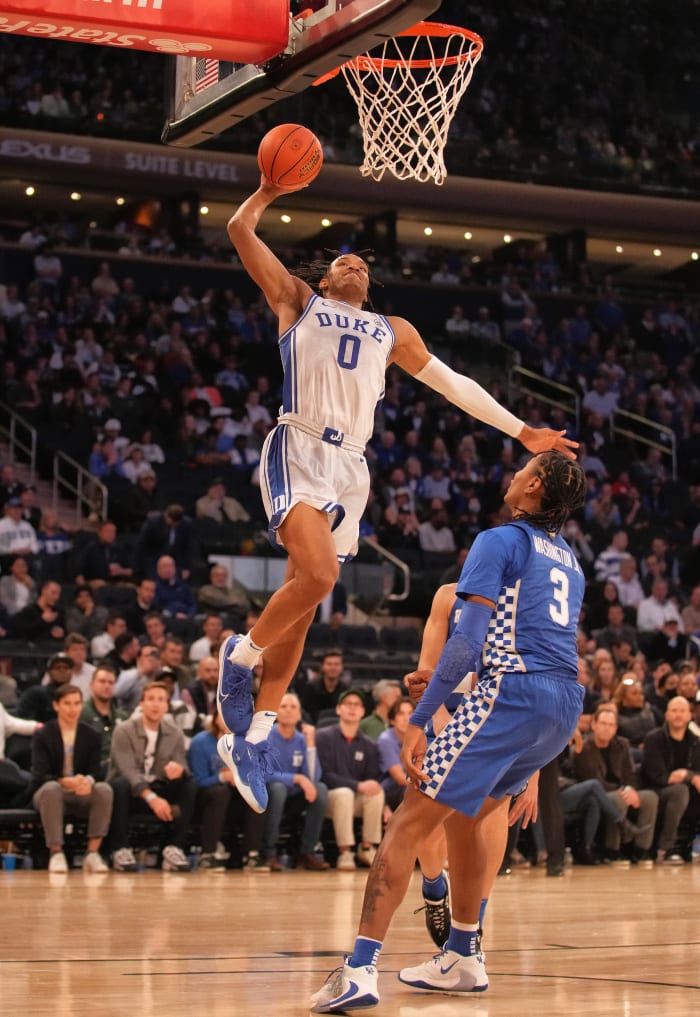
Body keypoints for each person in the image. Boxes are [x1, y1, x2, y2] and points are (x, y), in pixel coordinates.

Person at [215, 177, 577, 814]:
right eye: (339, 259)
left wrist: (521, 431)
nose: (352, 260)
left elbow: (453, 384)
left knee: (305, 605)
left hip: (351, 468)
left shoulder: (393, 330)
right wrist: (269, 190)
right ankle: (239, 657)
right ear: (325, 281)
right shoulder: (297, 301)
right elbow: (239, 231)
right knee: (321, 577)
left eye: (361, 261)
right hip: (299, 444)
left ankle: (256, 737)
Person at [309, 450, 586, 1011]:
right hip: (563, 702)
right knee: (474, 813)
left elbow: (465, 643)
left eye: (522, 468)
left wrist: (417, 721)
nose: (511, 473)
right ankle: (463, 954)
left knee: (406, 824)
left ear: (533, 487)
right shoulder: (571, 562)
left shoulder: (498, 539)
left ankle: (360, 971)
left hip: (513, 691)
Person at [107, 680, 197, 872]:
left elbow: (182, 762)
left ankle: (174, 847)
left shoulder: (174, 733)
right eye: (150, 699)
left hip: (158, 787)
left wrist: (179, 769)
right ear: (141, 704)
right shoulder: (123, 730)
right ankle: (120, 848)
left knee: (189, 785)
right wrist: (152, 798)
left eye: (161, 700)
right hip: (131, 793)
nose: (155, 704)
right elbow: (127, 771)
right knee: (120, 784)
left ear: (167, 706)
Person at [30, 683, 113, 872]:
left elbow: (96, 771)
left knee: (104, 789)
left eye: (77, 703)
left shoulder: (91, 734)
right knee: (52, 789)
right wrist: (63, 781)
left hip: (80, 791)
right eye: (67, 703)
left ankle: (92, 853)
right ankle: (56, 853)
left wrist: (87, 782)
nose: (73, 709)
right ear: (56, 705)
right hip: (49, 792)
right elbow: (39, 774)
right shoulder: (43, 734)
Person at [573, 702, 658, 864]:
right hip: (597, 793)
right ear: (594, 724)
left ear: (616, 728)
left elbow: (629, 774)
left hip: (621, 789)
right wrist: (623, 790)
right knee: (617, 799)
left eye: (611, 725)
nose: (607, 728)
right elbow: (592, 780)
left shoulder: (623, 744)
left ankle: (642, 849)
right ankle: (613, 850)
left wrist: (630, 788)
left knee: (650, 797)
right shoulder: (583, 747)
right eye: (603, 724)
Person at [315, 688, 385, 871]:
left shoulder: (369, 744)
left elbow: (371, 778)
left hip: (354, 800)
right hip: (330, 799)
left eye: (357, 705)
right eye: (348, 704)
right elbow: (324, 775)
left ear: (363, 712)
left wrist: (366, 786)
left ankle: (367, 847)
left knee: (377, 792)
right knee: (344, 793)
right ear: (338, 709)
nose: (352, 708)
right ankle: (345, 852)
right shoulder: (322, 737)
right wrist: (358, 785)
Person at [188, 710, 267, 870]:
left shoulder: (247, 743)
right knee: (220, 793)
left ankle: (252, 854)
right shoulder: (200, 742)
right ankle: (208, 855)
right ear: (216, 718)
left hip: (235, 799)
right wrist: (222, 778)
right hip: (206, 797)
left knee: (258, 792)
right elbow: (198, 781)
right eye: (224, 715)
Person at [263, 691, 330, 870]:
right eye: (283, 706)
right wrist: (297, 778)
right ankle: (269, 852)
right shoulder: (266, 736)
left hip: (294, 797)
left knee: (321, 789)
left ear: (300, 715)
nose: (289, 711)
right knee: (278, 788)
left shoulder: (302, 739)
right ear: (275, 713)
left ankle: (306, 852)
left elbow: (314, 777)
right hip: (269, 795)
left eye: (293, 707)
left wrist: (310, 745)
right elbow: (264, 773)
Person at [640, 696, 700, 864]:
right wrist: (690, 777)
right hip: (656, 790)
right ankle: (667, 849)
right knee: (680, 791)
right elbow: (656, 775)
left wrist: (687, 775)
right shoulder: (654, 738)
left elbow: (696, 772)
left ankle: (686, 848)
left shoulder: (696, 741)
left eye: (682, 711)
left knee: (686, 791)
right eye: (674, 711)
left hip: (687, 791)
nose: (678, 715)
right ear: (666, 715)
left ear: (690, 715)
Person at [80, 664, 128, 779]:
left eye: (111, 683)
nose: (107, 686)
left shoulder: (123, 716)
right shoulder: (81, 712)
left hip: (121, 765)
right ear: (91, 685)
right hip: (93, 767)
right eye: (102, 681)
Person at [300, 650, 350, 725]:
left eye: (336, 664)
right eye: (329, 664)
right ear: (322, 667)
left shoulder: (346, 690)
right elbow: (306, 715)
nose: (333, 667)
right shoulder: (311, 688)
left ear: (341, 667)